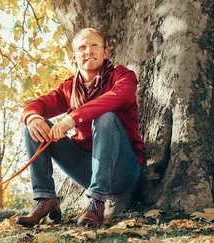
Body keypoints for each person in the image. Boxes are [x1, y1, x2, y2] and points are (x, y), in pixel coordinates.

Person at [16, 28, 145, 227]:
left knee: (105, 117)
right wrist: (32, 117)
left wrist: (70, 120)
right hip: (86, 168)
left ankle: (96, 204)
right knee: (35, 126)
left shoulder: (123, 76)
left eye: (94, 46)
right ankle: (46, 198)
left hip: (123, 170)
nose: (89, 51)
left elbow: (117, 97)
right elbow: (35, 106)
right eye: (82, 48)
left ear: (105, 52)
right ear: (74, 56)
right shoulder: (68, 88)